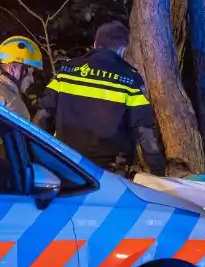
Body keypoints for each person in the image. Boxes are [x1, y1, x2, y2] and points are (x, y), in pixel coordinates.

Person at [35, 21, 166, 176]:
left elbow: (43, 116)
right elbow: (144, 131)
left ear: (95, 43)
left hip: (66, 164)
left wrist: (38, 156)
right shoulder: (130, 79)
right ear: (123, 49)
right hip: (109, 173)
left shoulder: (67, 70)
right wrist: (159, 172)